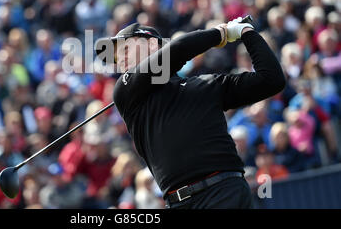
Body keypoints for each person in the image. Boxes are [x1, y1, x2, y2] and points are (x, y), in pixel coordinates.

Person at [95, 17, 286, 209]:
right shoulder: (125, 92)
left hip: (224, 193)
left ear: (153, 44)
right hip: (177, 203)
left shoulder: (207, 85)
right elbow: (178, 49)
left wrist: (247, 33)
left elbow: (271, 80)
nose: (121, 60)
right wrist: (222, 33)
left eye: (125, 49)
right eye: (117, 58)